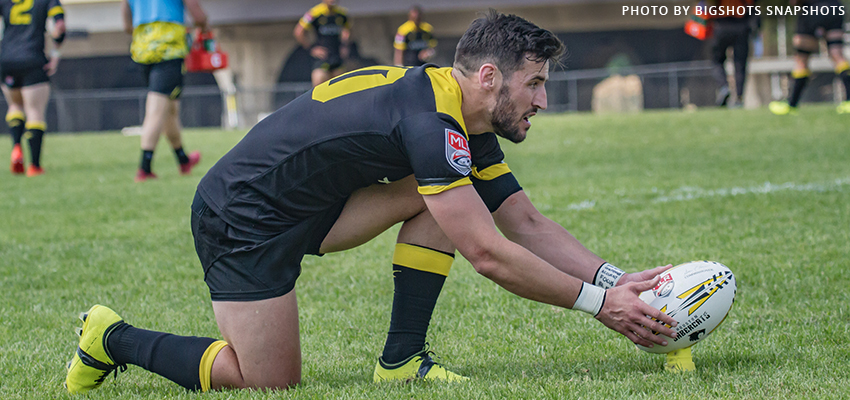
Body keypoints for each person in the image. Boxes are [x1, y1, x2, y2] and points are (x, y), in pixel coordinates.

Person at [65, 10, 678, 394]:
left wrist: (620, 282)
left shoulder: (459, 119)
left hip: (313, 208)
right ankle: (111, 338)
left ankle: (401, 360)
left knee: (445, 198)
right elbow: (489, 254)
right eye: (535, 82)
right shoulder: (432, 121)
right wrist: (604, 307)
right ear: (489, 76)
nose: (543, 98)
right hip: (242, 215)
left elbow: (522, 219)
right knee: (267, 382)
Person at [122, 0, 204, 182]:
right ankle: (144, 168)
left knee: (170, 109)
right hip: (169, 51)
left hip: (143, 51)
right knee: (156, 109)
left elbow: (127, 23)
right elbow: (197, 13)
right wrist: (203, 25)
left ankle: (183, 160)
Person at [1, 0, 65, 177]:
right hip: (33, 58)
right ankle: (34, 166)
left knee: (15, 106)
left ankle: (16, 147)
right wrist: (55, 54)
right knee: (34, 110)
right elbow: (59, 26)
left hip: (7, 60)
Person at [769, 0, 850, 115]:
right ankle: (849, 101)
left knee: (801, 59)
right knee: (837, 55)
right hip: (834, 7)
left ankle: (791, 104)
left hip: (812, 10)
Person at [707, 0, 757, 107]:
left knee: (717, 60)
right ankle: (739, 98)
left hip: (721, 24)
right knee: (740, 63)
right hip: (741, 24)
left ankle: (724, 87)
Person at [294, 0, 351, 87]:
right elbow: (299, 31)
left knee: (341, 88)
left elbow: (347, 30)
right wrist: (311, 49)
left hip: (337, 58)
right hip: (322, 58)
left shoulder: (342, 13)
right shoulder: (314, 13)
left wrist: (345, 45)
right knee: (319, 84)